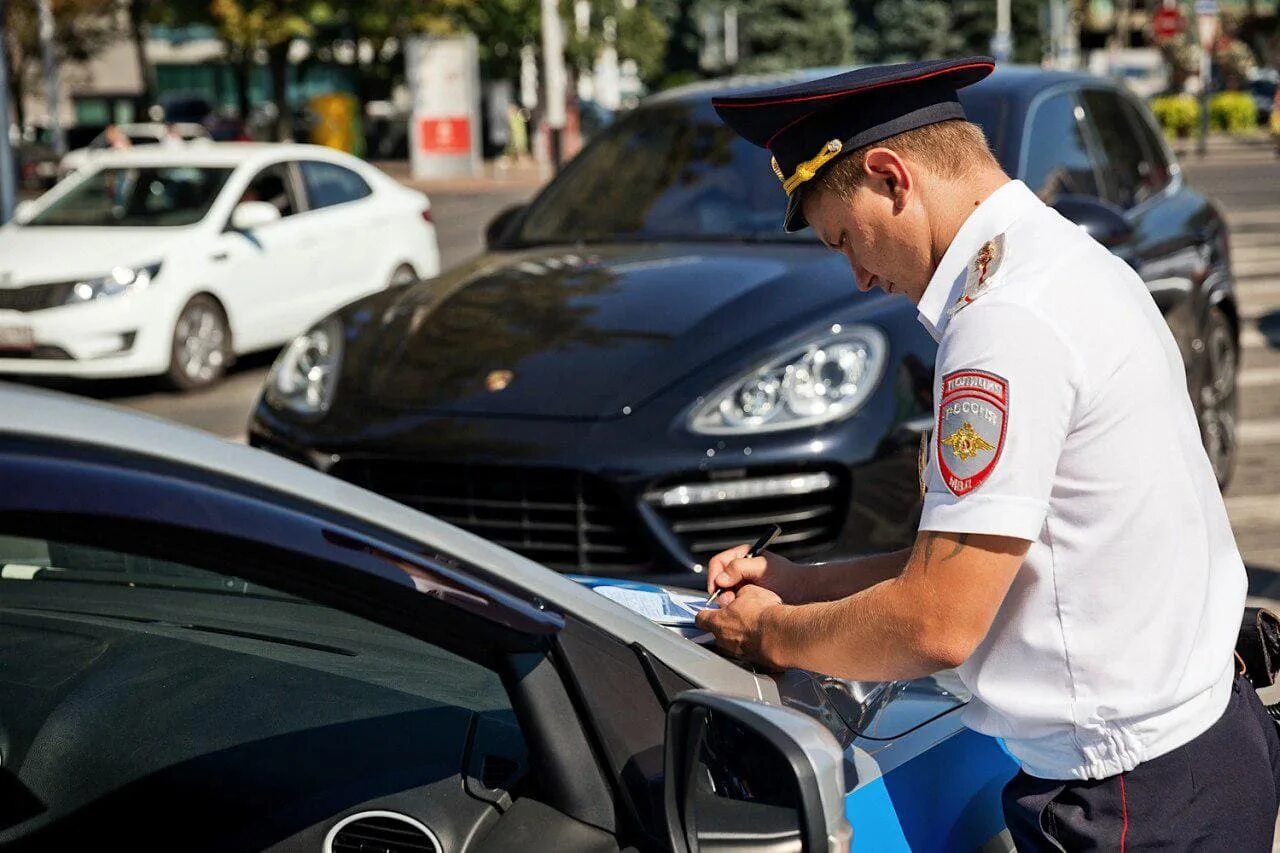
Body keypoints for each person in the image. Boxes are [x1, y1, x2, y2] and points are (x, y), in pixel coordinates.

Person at [696, 56, 1280, 850]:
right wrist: (804, 585)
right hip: (1194, 753)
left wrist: (773, 634)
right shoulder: (1061, 260)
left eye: (844, 238)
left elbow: (939, 620)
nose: (860, 275)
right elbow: (1008, 557)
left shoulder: (1002, 325)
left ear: (891, 176)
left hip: (1131, 798)